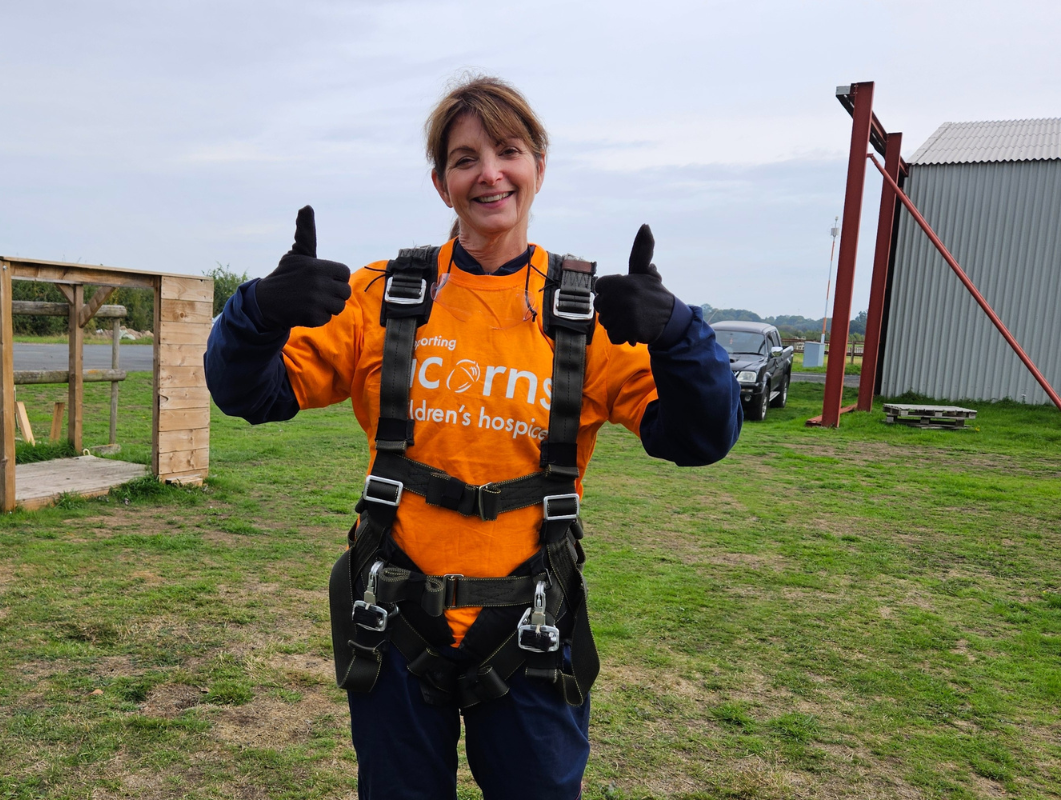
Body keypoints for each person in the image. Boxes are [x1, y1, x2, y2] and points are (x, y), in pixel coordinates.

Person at [206, 75, 741, 800]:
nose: (489, 173)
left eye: (509, 151)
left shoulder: (580, 314)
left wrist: (678, 332)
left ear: (538, 168)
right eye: (465, 159)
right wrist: (260, 310)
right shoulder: (385, 297)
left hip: (531, 628)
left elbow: (701, 437)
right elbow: (251, 394)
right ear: (441, 184)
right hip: (394, 618)